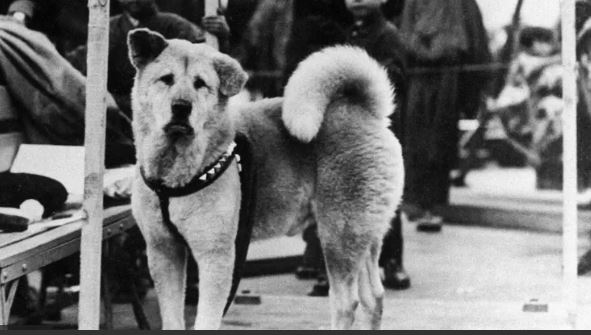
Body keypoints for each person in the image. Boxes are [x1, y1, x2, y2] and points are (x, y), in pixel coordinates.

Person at [400, 0, 491, 232]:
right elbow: (404, 35)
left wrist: (472, 90)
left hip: (447, 73)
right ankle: (416, 203)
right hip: (418, 72)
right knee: (415, 136)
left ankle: (434, 206)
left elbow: (474, 42)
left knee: (439, 139)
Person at [344, 0, 410, 289]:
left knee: (383, 194)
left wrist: (364, 76)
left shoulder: (388, 34)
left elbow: (397, 76)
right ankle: (351, 264)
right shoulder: (344, 33)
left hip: (379, 125)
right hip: (347, 126)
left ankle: (392, 260)